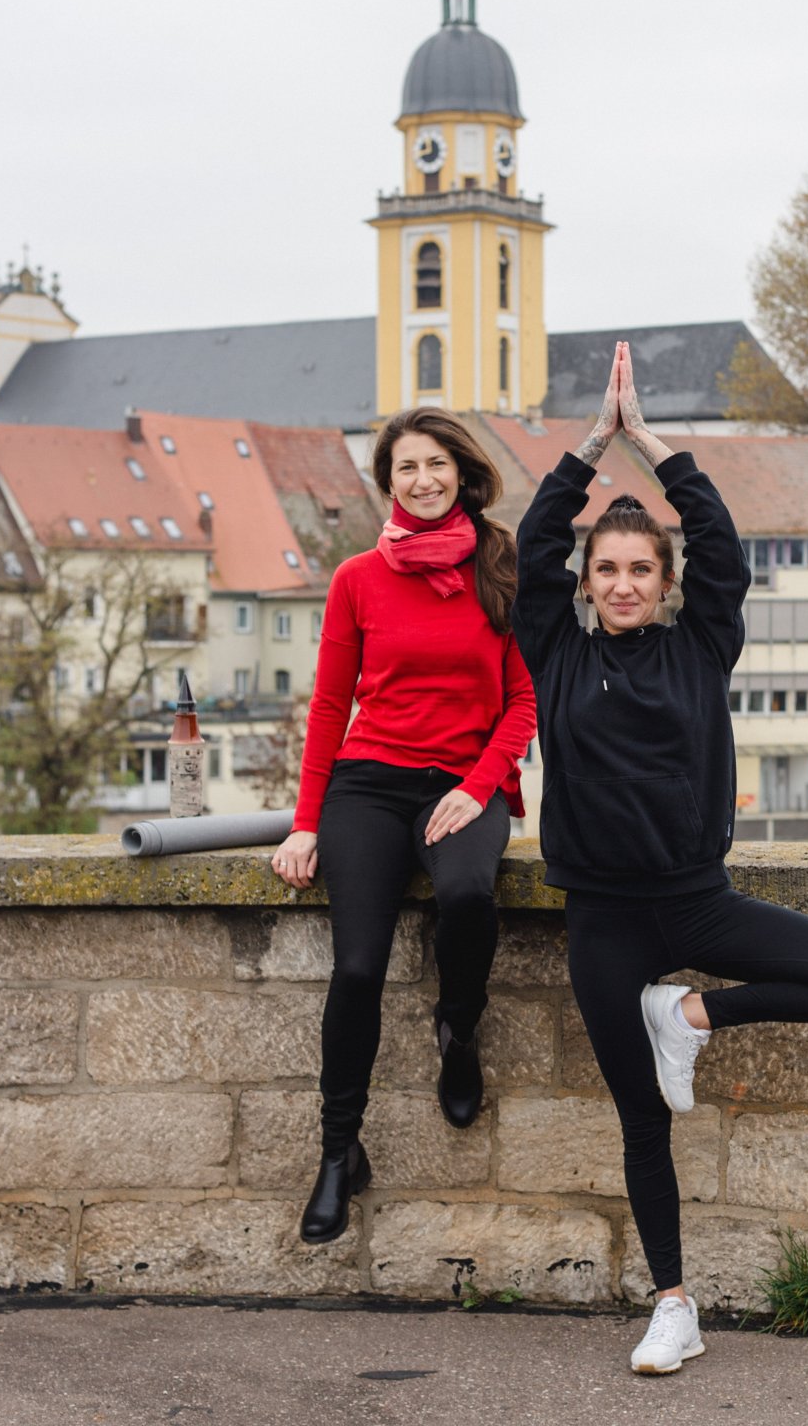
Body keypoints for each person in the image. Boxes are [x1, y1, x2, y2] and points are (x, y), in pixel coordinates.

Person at [513, 343, 808, 1376]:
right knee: (642, 1120)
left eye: (642, 569)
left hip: (695, 905)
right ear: (584, 586)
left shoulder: (700, 644)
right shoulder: (555, 650)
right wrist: (593, 445)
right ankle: (672, 1304)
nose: (624, 583)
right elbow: (532, 541)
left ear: (666, 582)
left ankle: (684, 1016)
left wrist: (659, 449)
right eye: (607, 570)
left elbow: (723, 547)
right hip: (600, 917)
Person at [271, 409, 535, 1245]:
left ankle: (458, 1026)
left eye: (435, 465)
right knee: (356, 968)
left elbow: (525, 700)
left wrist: (479, 785)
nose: (422, 480)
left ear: (461, 471)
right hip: (370, 787)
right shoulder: (357, 578)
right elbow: (328, 705)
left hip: (463, 783)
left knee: (466, 897)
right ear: (388, 483)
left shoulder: (500, 564)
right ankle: (338, 1150)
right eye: (405, 469)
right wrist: (306, 821)